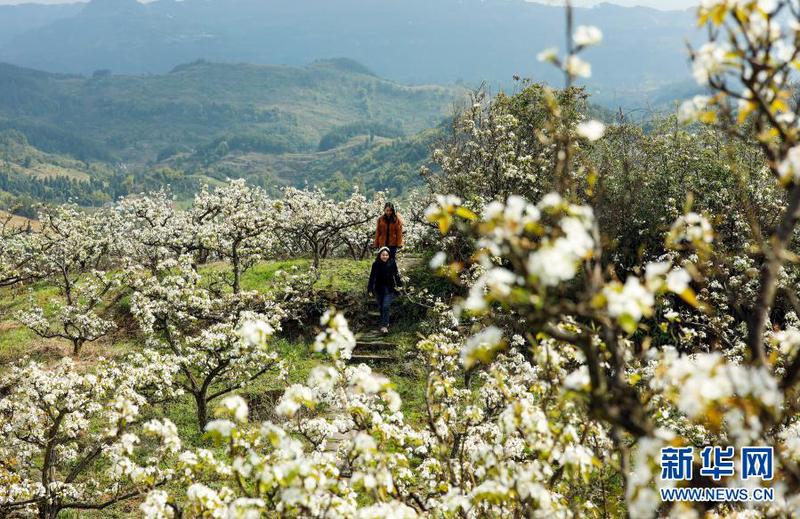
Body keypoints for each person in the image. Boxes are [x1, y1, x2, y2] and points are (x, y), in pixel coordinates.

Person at [367, 246, 402, 334]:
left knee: (386, 306)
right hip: (378, 289)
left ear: (389, 255)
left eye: (386, 255)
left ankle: (384, 326)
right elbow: (372, 277)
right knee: (381, 307)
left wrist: (399, 286)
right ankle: (384, 322)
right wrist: (370, 289)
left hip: (389, 289)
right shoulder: (376, 264)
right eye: (383, 255)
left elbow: (396, 275)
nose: (385, 256)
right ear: (380, 255)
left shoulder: (392, 263)